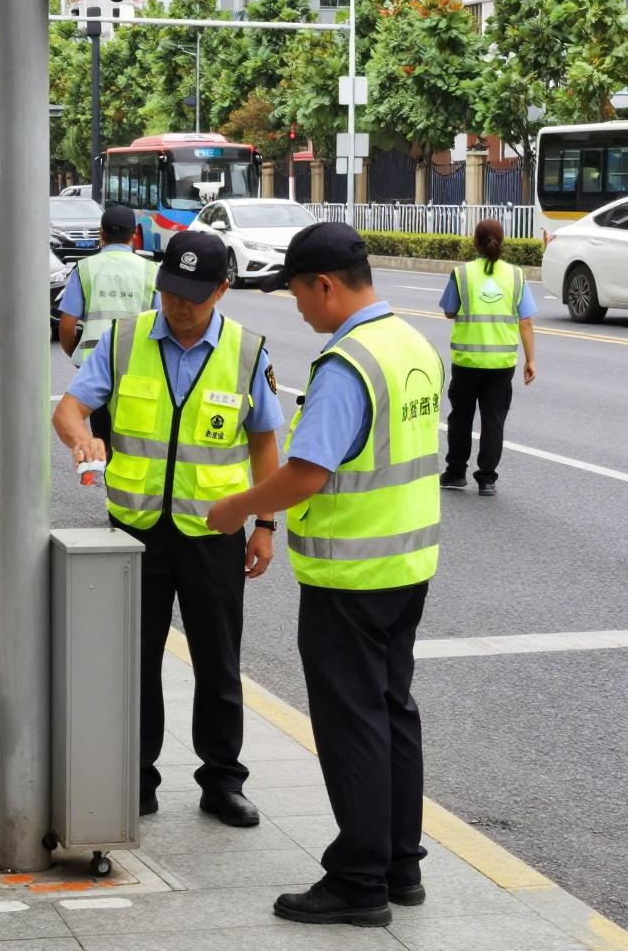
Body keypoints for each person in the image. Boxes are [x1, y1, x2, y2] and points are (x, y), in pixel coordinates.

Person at [206, 222, 444, 928]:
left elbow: (307, 473)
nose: (299, 307)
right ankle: (401, 865)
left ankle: (359, 880)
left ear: (326, 285)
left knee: (352, 725)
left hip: (351, 575)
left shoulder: (347, 364)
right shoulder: (412, 344)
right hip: (407, 565)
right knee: (393, 711)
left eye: (298, 293)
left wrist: (239, 508)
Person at [52, 231, 284, 828]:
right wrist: (82, 438)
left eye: (192, 295)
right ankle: (136, 777)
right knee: (133, 661)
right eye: (170, 291)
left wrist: (264, 524)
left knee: (219, 662)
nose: (178, 305)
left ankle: (222, 781)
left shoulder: (246, 350)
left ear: (222, 290)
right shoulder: (124, 340)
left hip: (213, 534)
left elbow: (264, 443)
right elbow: (70, 408)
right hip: (134, 533)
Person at [439, 218, 536, 496]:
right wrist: (530, 360)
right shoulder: (516, 275)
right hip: (501, 364)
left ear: (475, 243)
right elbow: (526, 323)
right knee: (494, 420)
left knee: (461, 418)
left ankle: (456, 473)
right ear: (502, 242)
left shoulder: (462, 274)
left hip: (467, 362)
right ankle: (487, 479)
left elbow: (449, 311)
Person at [57, 205, 159, 450]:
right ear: (134, 234)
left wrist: (77, 354)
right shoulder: (151, 270)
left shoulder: (85, 269)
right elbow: (160, 321)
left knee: (102, 437)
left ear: (100, 233)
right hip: (137, 365)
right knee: (136, 437)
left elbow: (67, 325)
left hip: (95, 366)